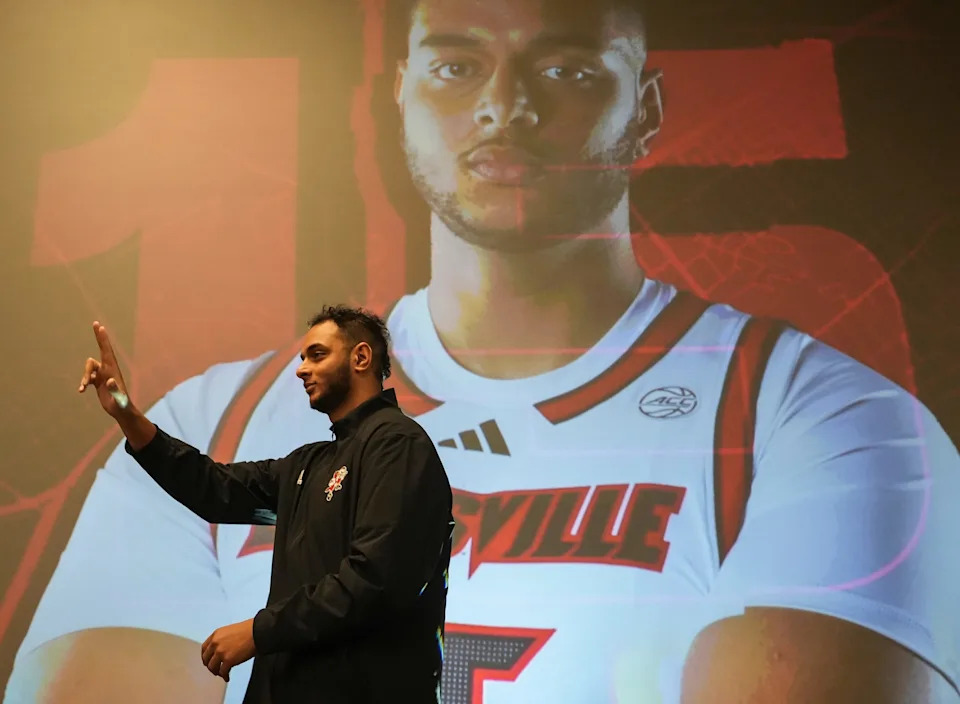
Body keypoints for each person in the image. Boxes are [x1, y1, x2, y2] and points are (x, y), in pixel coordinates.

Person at [6, 0, 960, 702]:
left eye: (570, 70)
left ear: (649, 108)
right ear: (403, 100)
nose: (505, 107)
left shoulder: (823, 419)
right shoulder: (205, 419)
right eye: (457, 67)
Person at [73, 307, 452, 703]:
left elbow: (376, 580)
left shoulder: (398, 444)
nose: (301, 369)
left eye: (317, 355)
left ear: (360, 358)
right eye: (303, 357)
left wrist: (258, 631)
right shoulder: (311, 462)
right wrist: (126, 414)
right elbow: (212, 487)